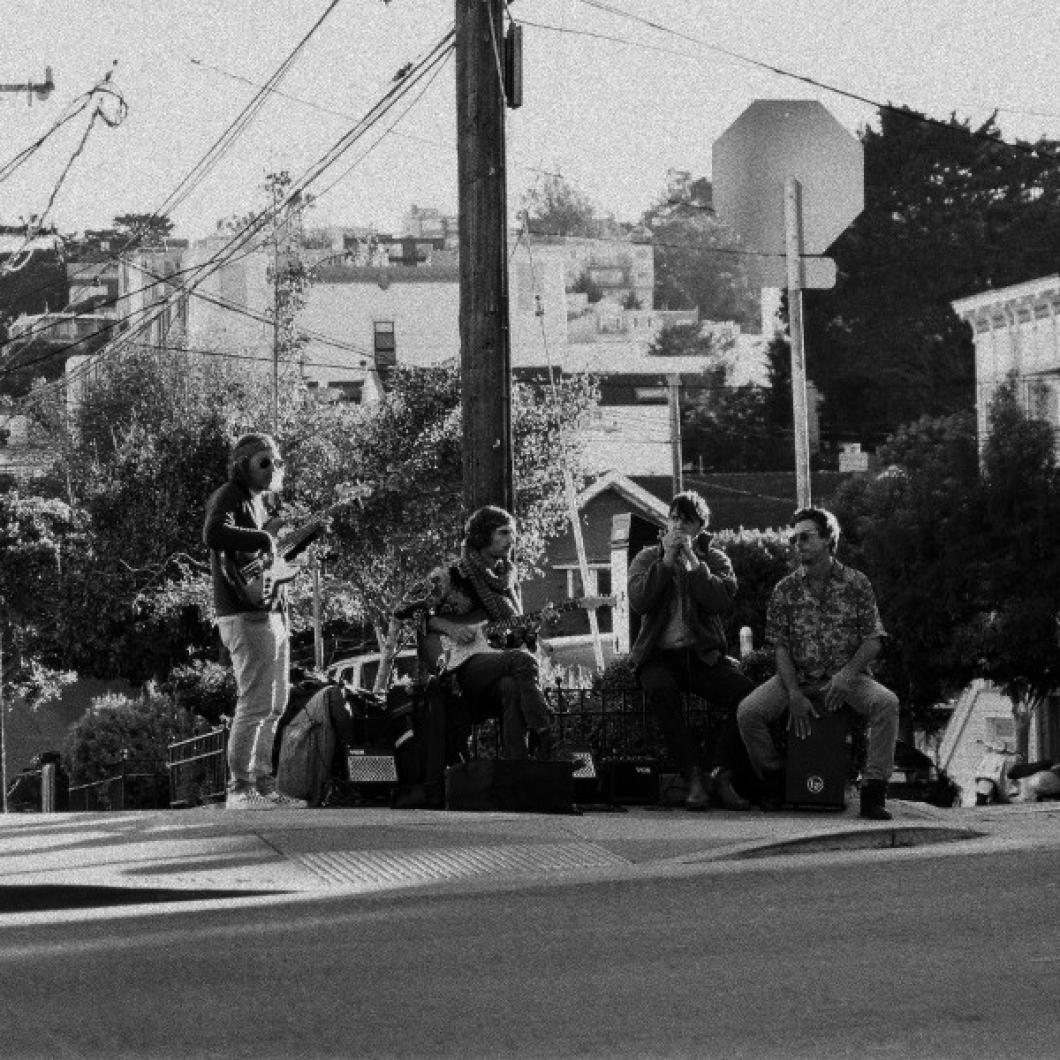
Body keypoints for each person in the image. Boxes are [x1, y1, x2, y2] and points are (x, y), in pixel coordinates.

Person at [737, 506, 899, 820]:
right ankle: (775, 779)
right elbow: (780, 647)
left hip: (846, 677)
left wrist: (846, 675)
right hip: (798, 676)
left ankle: (874, 791)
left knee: (887, 704)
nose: (798, 544)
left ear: (827, 539)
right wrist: (794, 694)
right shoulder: (785, 590)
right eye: (794, 539)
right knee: (749, 712)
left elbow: (874, 639)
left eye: (806, 537)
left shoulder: (857, 583)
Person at [394, 506, 574, 763]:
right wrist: (450, 627)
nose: (511, 540)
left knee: (512, 687)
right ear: (481, 535)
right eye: (503, 533)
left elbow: (512, 639)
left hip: (491, 665)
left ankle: (519, 767)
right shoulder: (450, 576)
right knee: (522, 661)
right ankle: (548, 743)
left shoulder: (507, 584)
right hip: (455, 670)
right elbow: (403, 609)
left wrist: (535, 627)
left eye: (513, 533)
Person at [628, 490, 753, 811]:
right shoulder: (647, 557)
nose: (680, 525)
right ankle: (692, 775)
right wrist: (667, 562)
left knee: (746, 696)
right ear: (666, 522)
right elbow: (640, 601)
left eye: (688, 520)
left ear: (700, 526)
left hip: (702, 655)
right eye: (674, 518)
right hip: (659, 656)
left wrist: (693, 561)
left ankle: (721, 774)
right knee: (660, 689)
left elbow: (719, 600)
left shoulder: (715, 558)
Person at [204, 432, 307, 810]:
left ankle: (264, 786)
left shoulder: (260, 503)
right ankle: (239, 789)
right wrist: (264, 538)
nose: (273, 468)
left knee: (277, 701)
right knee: (254, 703)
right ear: (243, 464)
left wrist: (299, 540)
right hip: (243, 613)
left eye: (277, 462)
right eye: (265, 462)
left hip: (270, 610)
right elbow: (213, 533)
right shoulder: (229, 495)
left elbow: (267, 560)